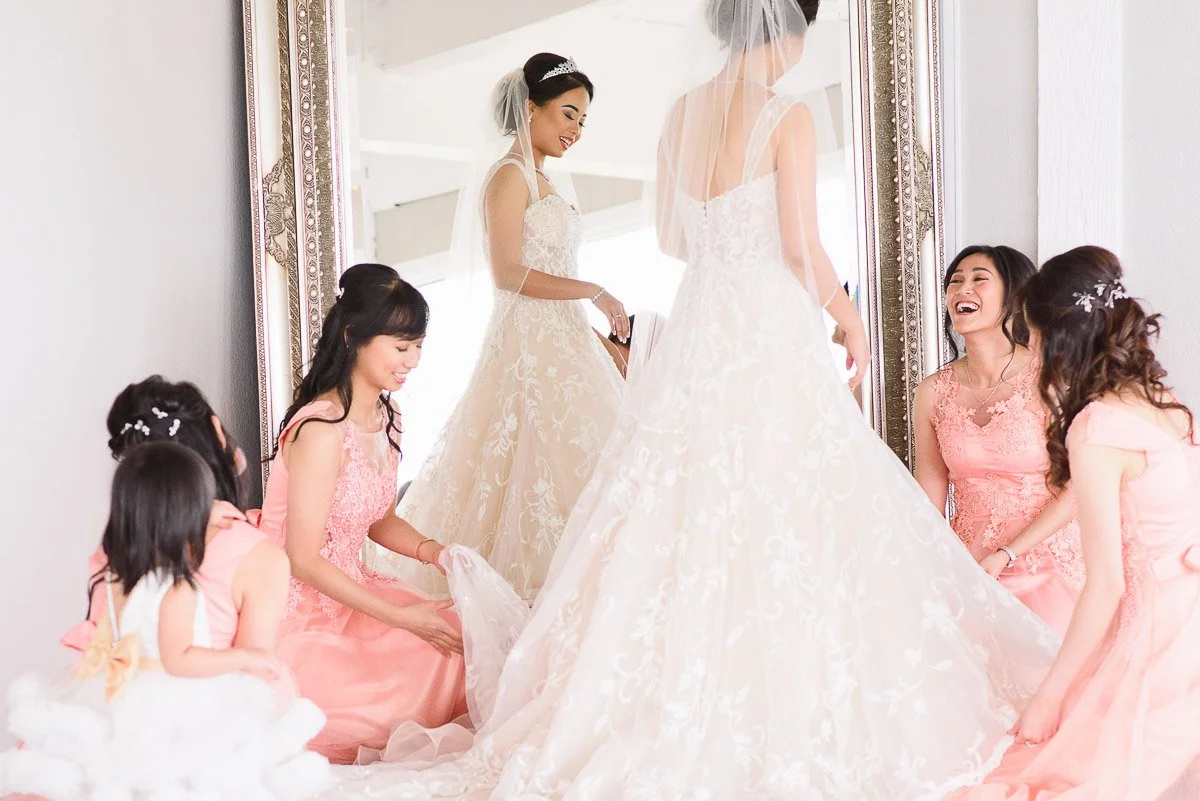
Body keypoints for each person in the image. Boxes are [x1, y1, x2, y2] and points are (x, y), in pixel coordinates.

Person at [321, 3, 1059, 798]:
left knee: (681, 506)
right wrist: (851, 323)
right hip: (768, 327)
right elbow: (801, 246)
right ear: (786, 32)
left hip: (705, 322)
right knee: (792, 498)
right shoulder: (789, 114)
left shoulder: (681, 113)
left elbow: (675, 239)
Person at [369, 53, 625, 602]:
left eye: (582, 120)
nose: (576, 130)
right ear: (530, 109)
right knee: (525, 470)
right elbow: (509, 273)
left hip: (562, 344)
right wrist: (593, 291)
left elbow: (551, 278)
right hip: (526, 348)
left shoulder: (545, 181)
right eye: (567, 114)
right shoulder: (508, 178)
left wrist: (598, 339)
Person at [957, 246, 1200, 800]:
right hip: (1193, 629)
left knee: (1066, 778)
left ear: (1057, 339)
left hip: (1159, 638)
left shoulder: (1097, 429)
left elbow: (1107, 585)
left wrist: (1048, 698)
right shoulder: (1164, 401)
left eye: (1035, 334)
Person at [0, 442, 329, 800]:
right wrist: (248, 657)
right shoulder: (177, 586)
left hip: (115, 693)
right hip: (175, 699)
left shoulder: (114, 575)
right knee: (191, 776)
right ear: (189, 514)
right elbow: (179, 658)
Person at [259, 263, 468, 764]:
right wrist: (401, 617)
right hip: (299, 609)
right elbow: (303, 559)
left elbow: (376, 517)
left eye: (418, 346)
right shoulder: (320, 429)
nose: (413, 361)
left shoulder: (386, 415)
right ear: (354, 337)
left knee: (460, 646)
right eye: (401, 347)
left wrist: (432, 551)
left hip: (353, 586)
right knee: (388, 705)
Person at [913, 246, 1084, 634]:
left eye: (978, 279)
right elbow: (927, 501)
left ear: (1013, 298)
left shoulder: (1052, 379)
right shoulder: (932, 393)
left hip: (1047, 564)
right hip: (971, 568)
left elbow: (1079, 488)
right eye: (954, 281)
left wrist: (1009, 554)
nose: (962, 289)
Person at [62, 376, 289, 656]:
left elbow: (101, 658)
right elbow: (255, 679)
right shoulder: (257, 555)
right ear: (217, 431)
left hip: (107, 697)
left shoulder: (119, 546)